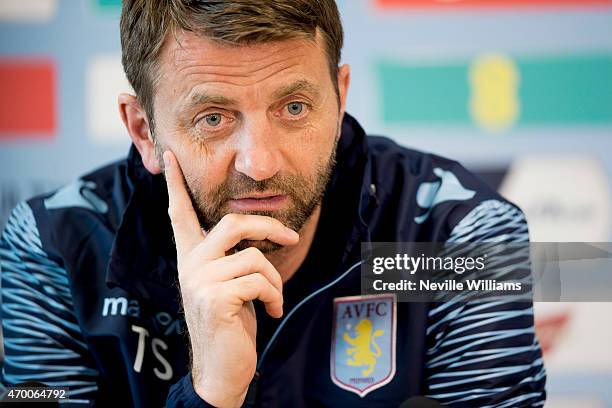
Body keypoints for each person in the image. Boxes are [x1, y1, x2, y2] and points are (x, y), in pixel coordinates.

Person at [0, 1, 546, 407]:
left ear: (340, 97)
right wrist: (210, 392)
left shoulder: (462, 234)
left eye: (294, 107)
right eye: (213, 118)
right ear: (143, 129)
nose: (259, 163)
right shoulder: (54, 246)